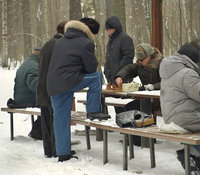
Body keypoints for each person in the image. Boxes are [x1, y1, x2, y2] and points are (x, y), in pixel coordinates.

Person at [47, 18, 111, 162]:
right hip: (69, 81)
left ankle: (63, 153)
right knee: (96, 77)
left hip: (53, 84)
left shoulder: (60, 41)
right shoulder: (85, 42)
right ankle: (93, 110)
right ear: (89, 32)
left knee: (61, 119)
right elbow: (90, 68)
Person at [159, 39, 200, 172]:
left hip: (172, 117)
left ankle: (192, 154)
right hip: (186, 117)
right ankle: (193, 154)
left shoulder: (169, 71)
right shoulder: (187, 74)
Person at [115, 43, 163, 146]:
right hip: (146, 98)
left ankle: (144, 140)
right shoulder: (140, 65)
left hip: (161, 100)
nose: (140, 62)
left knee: (137, 108)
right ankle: (134, 139)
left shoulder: (162, 64)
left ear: (149, 57)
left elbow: (168, 82)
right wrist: (120, 76)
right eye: (138, 60)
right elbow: (129, 69)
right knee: (129, 107)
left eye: (142, 60)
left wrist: (154, 86)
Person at [36, 21, 67, 158]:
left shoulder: (47, 44)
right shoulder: (62, 45)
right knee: (56, 119)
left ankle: (48, 150)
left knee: (46, 120)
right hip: (54, 87)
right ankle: (57, 150)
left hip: (42, 87)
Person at [7, 48, 42, 140]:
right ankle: (38, 132)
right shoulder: (34, 66)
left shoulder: (27, 63)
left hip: (20, 98)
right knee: (49, 105)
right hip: (28, 99)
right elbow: (35, 85)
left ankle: (38, 131)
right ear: (40, 57)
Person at [104, 16, 134, 114]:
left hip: (123, 77)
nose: (109, 31)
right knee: (117, 106)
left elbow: (128, 58)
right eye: (107, 29)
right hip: (112, 77)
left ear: (116, 28)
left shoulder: (125, 38)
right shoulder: (111, 41)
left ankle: (127, 125)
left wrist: (118, 72)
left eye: (111, 29)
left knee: (125, 106)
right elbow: (108, 58)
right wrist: (107, 71)